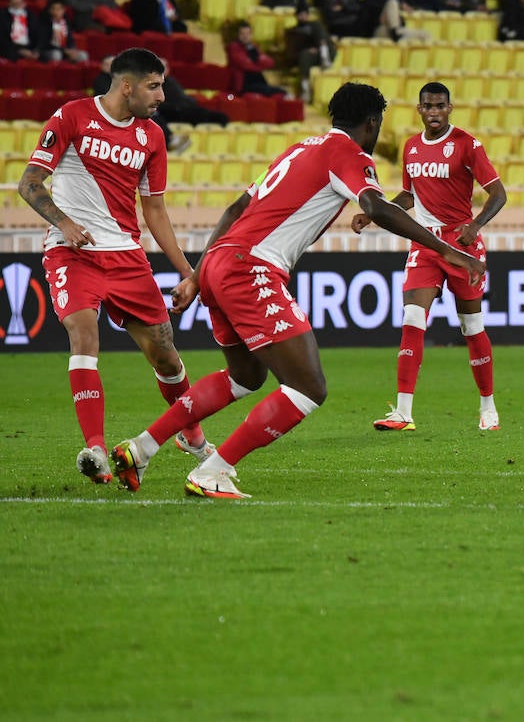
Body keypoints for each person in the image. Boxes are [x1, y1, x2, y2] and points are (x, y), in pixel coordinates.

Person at [110, 83, 485, 499]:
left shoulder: (298, 149)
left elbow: (235, 209)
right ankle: (213, 471)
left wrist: (199, 275)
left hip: (220, 263)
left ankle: (141, 448)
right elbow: (377, 207)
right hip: (251, 270)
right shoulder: (349, 155)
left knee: (245, 376)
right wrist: (448, 252)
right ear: (372, 123)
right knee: (309, 387)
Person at [16, 49, 211, 485]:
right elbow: (28, 183)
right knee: (83, 334)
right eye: (154, 86)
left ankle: (192, 436)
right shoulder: (72, 116)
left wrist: (189, 273)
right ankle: (97, 450)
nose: (162, 96)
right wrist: (65, 224)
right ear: (127, 85)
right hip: (72, 253)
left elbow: (155, 212)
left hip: (126, 256)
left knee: (165, 354)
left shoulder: (152, 137)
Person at [350, 84, 507, 432]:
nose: (433, 112)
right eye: (427, 107)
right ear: (418, 110)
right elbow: (409, 195)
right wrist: (374, 213)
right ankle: (403, 412)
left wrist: (475, 224)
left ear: (450, 108)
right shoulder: (412, 147)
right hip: (424, 244)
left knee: (471, 326)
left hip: (461, 244)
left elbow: (498, 193)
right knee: (411, 318)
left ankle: (488, 407)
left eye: (439, 106)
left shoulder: (467, 144)